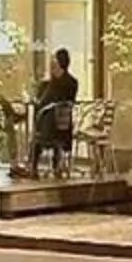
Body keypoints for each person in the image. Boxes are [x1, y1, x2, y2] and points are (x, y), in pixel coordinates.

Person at [31, 48, 80, 176]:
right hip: (64, 125)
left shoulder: (55, 84)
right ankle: (54, 165)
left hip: (52, 126)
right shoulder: (71, 82)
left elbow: (43, 102)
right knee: (44, 118)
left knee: (38, 130)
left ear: (59, 64)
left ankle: (33, 167)